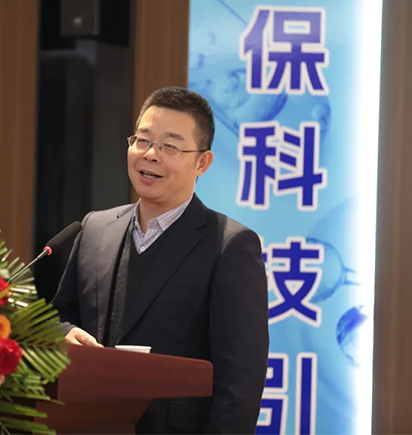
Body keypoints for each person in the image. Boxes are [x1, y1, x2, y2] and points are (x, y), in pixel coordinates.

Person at [51, 86, 269, 434]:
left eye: (170, 146)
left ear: (202, 163)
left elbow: (240, 384)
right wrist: (64, 333)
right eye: (142, 140)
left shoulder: (230, 246)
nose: (151, 155)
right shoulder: (95, 229)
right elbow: (58, 317)